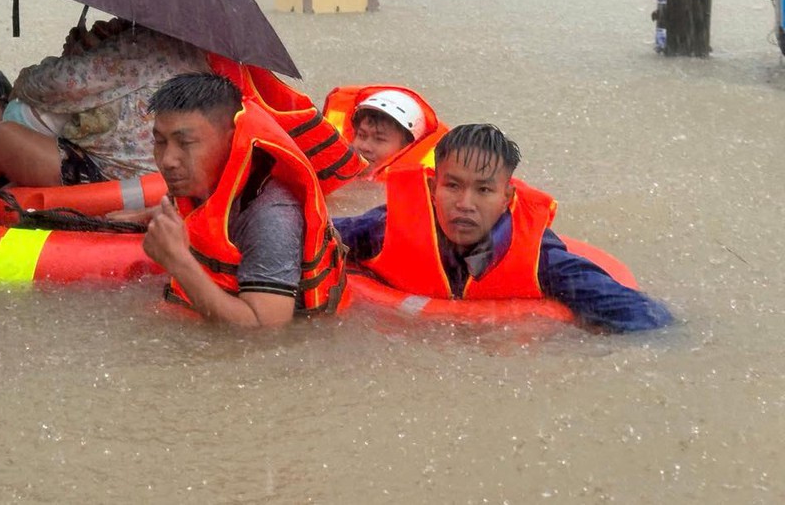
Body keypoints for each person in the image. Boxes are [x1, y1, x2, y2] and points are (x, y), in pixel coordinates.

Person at [333, 123, 673, 333]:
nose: (465, 203)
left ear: (506, 196)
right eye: (452, 186)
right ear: (433, 187)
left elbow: (635, 314)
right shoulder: (386, 227)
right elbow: (317, 233)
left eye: (483, 190)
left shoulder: (538, 256)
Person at [0, 18, 210, 190]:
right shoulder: (189, 49)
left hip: (114, 173)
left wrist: (79, 53)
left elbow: (38, 85)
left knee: (2, 139)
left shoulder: (140, 51)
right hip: (139, 167)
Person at [135, 73, 346, 328]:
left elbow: (266, 330)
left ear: (231, 140)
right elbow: (199, 215)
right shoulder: (197, 180)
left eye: (185, 143)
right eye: (160, 141)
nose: (168, 159)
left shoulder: (271, 215)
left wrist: (179, 263)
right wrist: (142, 215)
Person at [321, 85, 446, 180]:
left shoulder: (414, 194)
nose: (364, 147)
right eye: (361, 135)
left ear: (406, 148)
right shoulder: (325, 174)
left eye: (379, 139)